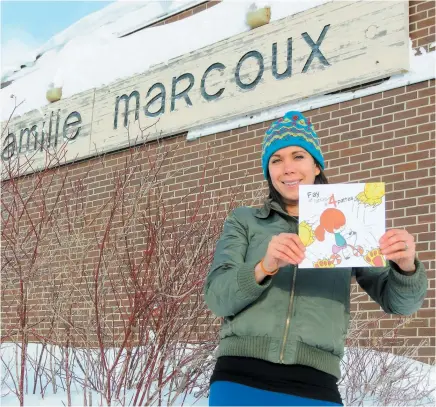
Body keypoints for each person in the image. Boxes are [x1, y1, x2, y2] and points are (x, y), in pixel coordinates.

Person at [203, 111, 428, 406]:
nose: (287, 169)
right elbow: (218, 299)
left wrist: (406, 267)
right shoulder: (245, 220)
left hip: (314, 385)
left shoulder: (352, 219)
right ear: (268, 171)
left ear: (316, 164)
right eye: (276, 159)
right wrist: (264, 266)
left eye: (298, 156)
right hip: (238, 379)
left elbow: (400, 303)